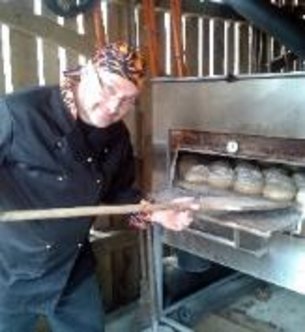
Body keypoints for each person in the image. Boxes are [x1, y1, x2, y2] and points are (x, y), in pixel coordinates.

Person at [0, 42, 198, 332]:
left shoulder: (116, 136)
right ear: (87, 72)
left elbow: (120, 195)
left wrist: (156, 213)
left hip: (71, 267)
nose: (112, 107)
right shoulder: (20, 113)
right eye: (108, 89)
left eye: (127, 99)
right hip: (10, 270)